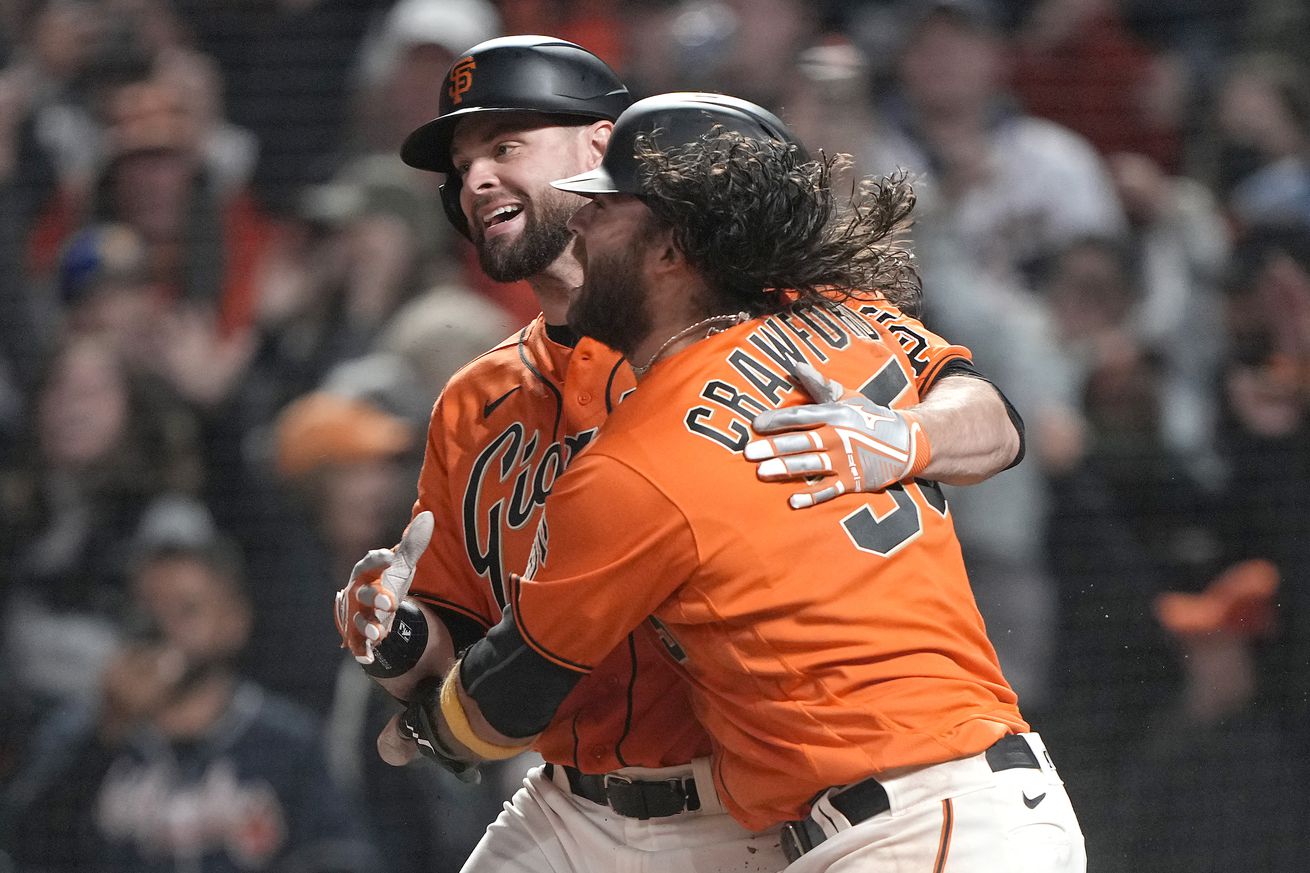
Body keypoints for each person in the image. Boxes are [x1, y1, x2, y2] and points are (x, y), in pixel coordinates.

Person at [334, 36, 1023, 872]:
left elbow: (988, 413)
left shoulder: (773, 320)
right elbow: (474, 645)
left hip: (761, 808)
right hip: (577, 800)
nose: (475, 179)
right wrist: (402, 640)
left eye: (505, 145)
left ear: (602, 147)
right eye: (462, 162)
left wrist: (907, 434)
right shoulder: (474, 402)